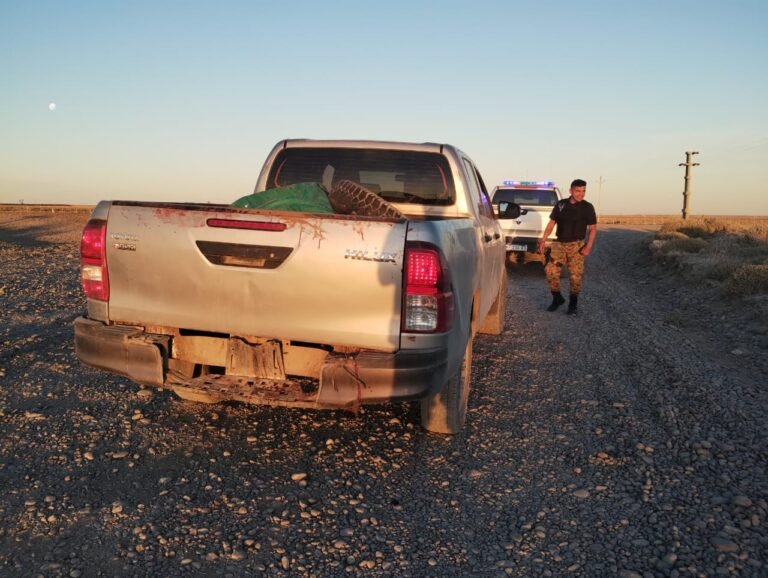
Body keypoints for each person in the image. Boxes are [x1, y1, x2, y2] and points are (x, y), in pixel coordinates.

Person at [536, 179, 597, 316]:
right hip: (559, 245)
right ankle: (557, 298)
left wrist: (588, 246)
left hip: (577, 247)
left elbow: (593, 229)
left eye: (583, 191)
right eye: (578, 191)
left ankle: (573, 305)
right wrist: (544, 239)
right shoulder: (561, 205)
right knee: (550, 271)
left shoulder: (588, 207)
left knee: (575, 277)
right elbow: (552, 223)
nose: (581, 194)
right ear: (570, 191)